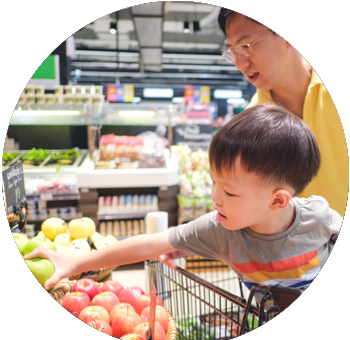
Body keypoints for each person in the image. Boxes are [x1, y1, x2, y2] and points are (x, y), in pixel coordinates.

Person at [24, 104, 341, 293]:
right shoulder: (218, 230)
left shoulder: (319, 217)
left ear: (277, 201)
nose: (215, 198)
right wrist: (78, 262)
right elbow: (148, 244)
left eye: (229, 191)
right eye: (213, 183)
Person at [217, 8, 348, 217]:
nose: (240, 63)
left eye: (246, 46)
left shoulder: (338, 78)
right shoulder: (251, 123)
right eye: (232, 51)